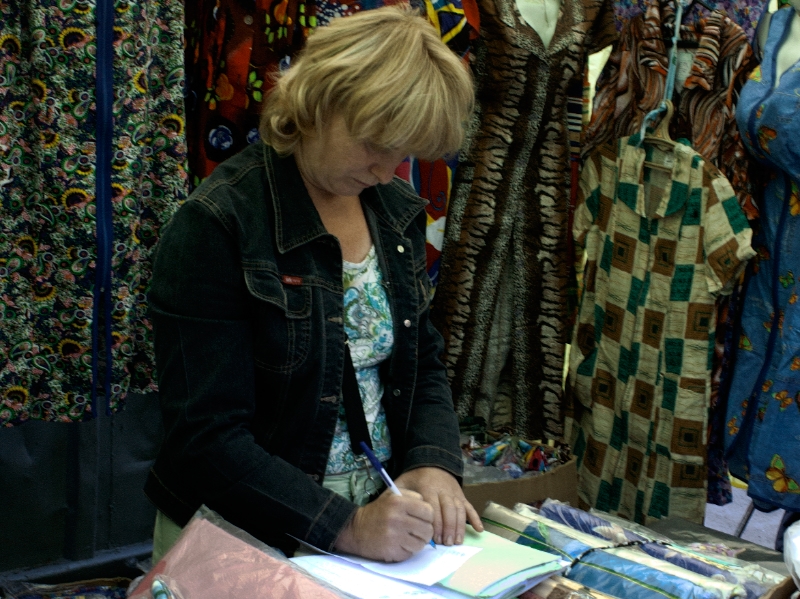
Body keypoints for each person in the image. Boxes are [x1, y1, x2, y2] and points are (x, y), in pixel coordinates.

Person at [143, 4, 483, 563]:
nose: (386, 168)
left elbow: (421, 360)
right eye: (375, 143)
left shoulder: (393, 212)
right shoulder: (220, 224)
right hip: (242, 533)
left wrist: (432, 461)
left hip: (377, 522)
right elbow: (205, 439)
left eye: (403, 152)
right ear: (319, 101)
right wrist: (344, 525)